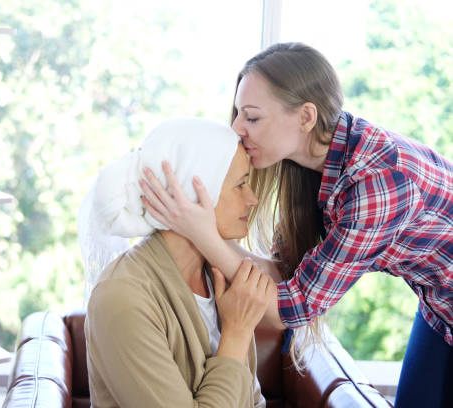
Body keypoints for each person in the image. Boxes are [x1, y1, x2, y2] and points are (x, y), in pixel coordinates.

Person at [139, 43, 453, 407]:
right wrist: (202, 230)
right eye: (238, 114)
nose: (236, 128)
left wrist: (204, 235)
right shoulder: (313, 164)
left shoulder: (377, 185)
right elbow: (283, 278)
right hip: (439, 305)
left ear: (306, 117)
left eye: (252, 118)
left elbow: (289, 309)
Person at [79, 117, 270, 408]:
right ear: (193, 193)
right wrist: (237, 332)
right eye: (241, 184)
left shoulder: (220, 276)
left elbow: (251, 398)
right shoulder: (121, 297)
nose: (252, 198)